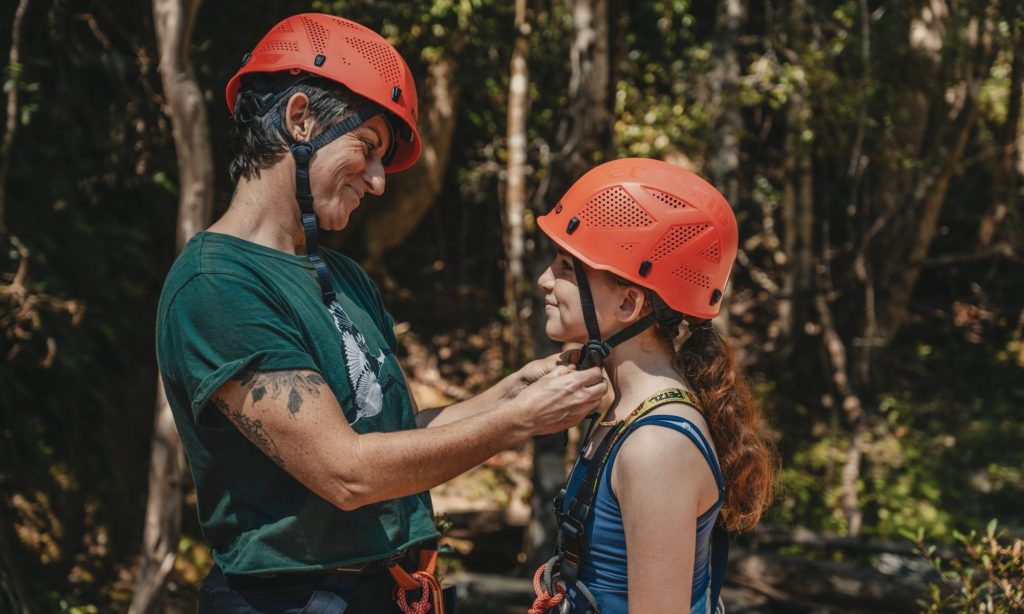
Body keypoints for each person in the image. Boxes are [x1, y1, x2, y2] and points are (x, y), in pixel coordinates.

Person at [155, 13, 607, 613]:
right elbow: (347, 473)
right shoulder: (218, 284)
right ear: (299, 119)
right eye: (367, 149)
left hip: (382, 590)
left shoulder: (342, 277)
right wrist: (517, 422)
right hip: (296, 600)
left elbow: (391, 437)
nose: (377, 182)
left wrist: (510, 393)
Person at [529, 158, 775, 613]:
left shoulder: (657, 446)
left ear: (628, 302)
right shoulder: (626, 413)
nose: (545, 280)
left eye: (565, 266)